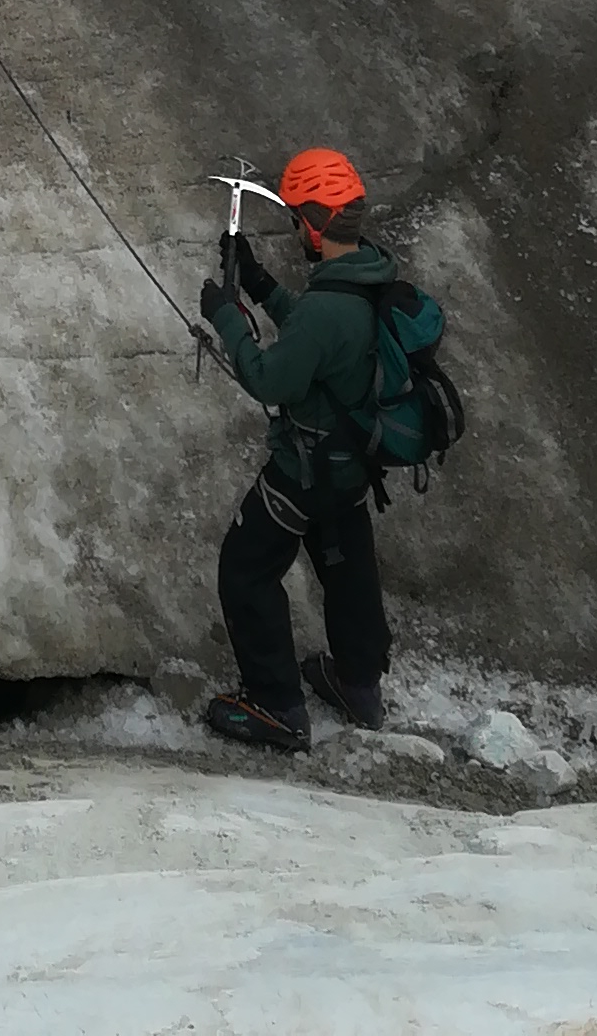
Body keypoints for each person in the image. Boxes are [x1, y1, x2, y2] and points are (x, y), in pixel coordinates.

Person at [197, 144, 396, 754]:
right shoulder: (369, 276)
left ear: (311, 224)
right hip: (353, 464)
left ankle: (276, 704)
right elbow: (317, 335)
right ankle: (358, 683)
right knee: (346, 566)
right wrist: (258, 284)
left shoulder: (328, 309)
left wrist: (227, 316)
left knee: (245, 568)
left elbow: (270, 377)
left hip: (304, 469)